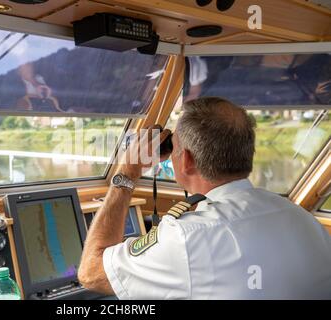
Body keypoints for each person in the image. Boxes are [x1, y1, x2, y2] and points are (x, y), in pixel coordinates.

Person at [78, 97, 331, 299]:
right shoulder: (300, 217)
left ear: (186, 160)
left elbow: (91, 272)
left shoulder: (187, 237)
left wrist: (127, 172)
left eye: (174, 148)